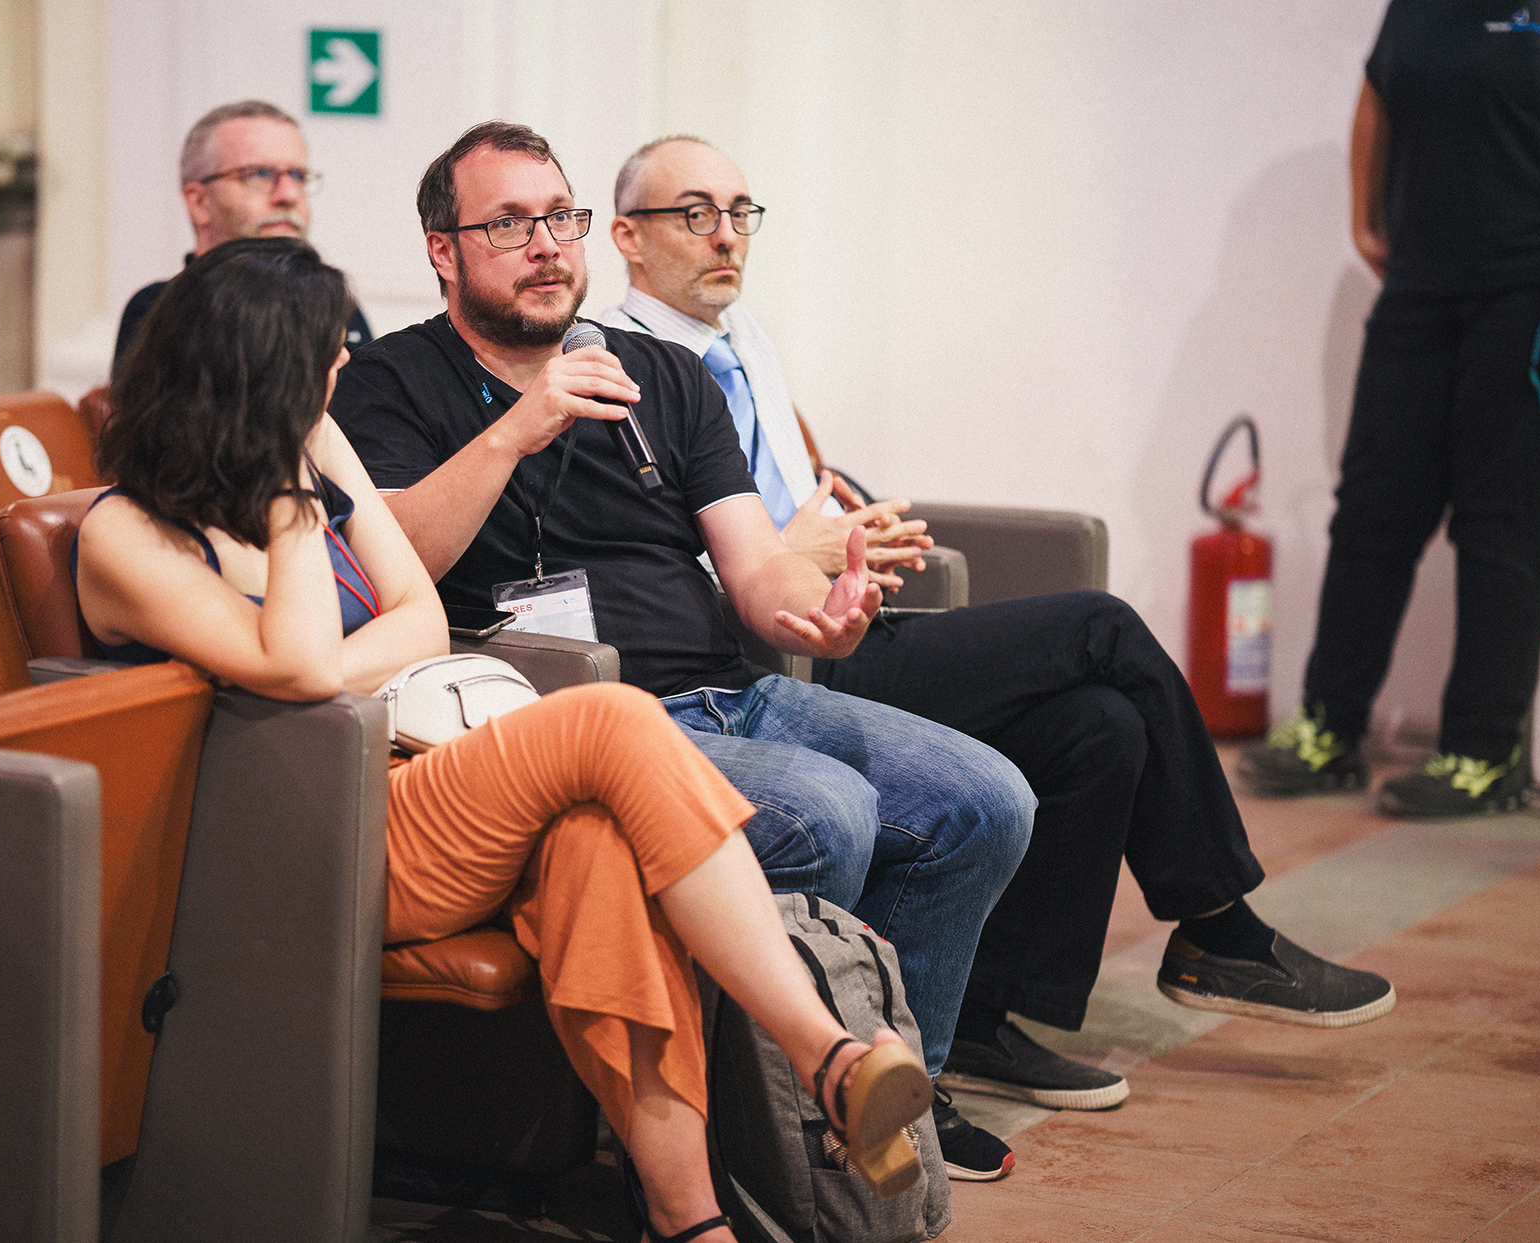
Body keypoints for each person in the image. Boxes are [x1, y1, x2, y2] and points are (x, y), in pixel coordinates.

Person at [72, 236, 937, 1242]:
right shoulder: (127, 534)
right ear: (260, 374)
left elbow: (416, 621)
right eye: (322, 352)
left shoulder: (318, 446)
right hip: (315, 836)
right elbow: (307, 664)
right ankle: (824, 1054)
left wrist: (312, 635)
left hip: (428, 786)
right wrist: (292, 502)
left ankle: (689, 1221)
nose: (343, 364)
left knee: (598, 850)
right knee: (610, 716)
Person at [600, 135, 1398, 1129]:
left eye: (739, 210)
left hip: (863, 608)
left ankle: (980, 1016)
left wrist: (855, 526)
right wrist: (799, 550)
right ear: (627, 237)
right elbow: (666, 573)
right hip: (786, 654)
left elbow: (801, 494)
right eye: (693, 213)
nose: (724, 235)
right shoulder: (621, 367)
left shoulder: (742, 336)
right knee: (1104, 628)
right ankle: (1216, 923)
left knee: (1100, 724)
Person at [330, 120, 1036, 1181]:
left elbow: (754, 573)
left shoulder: (662, 372)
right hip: (584, 720)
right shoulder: (389, 382)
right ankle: (781, 1126)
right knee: (828, 814)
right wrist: (519, 426)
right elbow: (399, 562)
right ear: (444, 249)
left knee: (985, 800)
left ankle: (896, 1099)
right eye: (509, 224)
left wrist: (816, 612)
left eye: (558, 219)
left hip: (736, 694)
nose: (546, 246)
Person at [1240, 1, 1540, 817]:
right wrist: (1364, 221)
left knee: (1498, 519)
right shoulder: (1416, 5)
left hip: (1524, 291)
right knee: (1374, 505)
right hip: (1418, 284)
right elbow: (1377, 95)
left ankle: (1484, 752)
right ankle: (1329, 728)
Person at [110, 99, 373, 369]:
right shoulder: (158, 309)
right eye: (259, 174)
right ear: (199, 202)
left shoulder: (333, 303)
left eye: (297, 175)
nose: (289, 195)